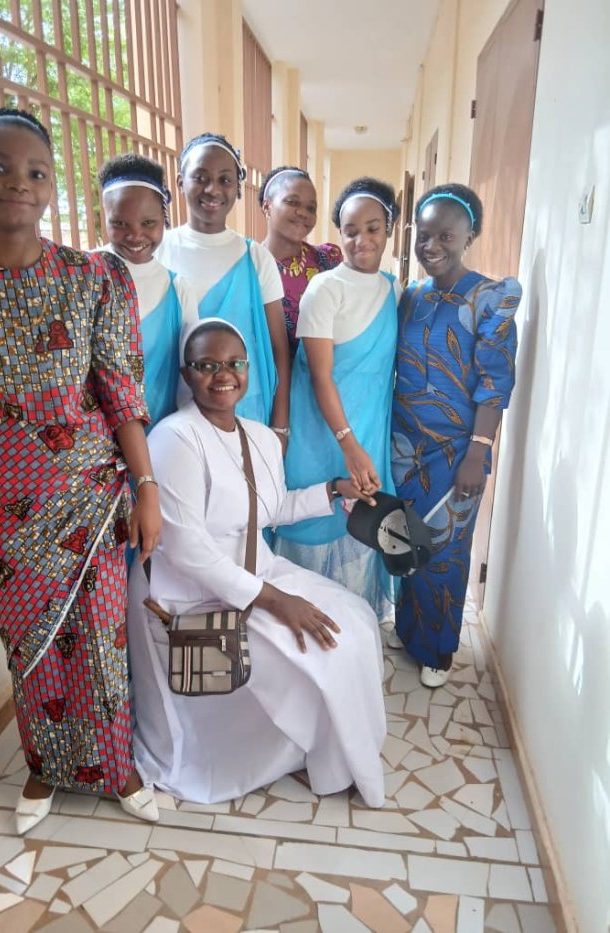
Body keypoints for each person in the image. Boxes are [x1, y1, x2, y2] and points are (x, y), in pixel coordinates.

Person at [0, 107, 163, 834]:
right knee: (29, 643)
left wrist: (147, 488)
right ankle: (45, 766)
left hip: (95, 492)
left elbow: (121, 393)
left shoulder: (93, 277)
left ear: (52, 186)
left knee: (101, 638)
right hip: (9, 501)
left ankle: (117, 768)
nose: (17, 182)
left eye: (35, 171)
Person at [127, 319, 387, 806]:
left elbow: (271, 509)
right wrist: (276, 602)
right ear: (186, 374)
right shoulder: (175, 438)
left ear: (248, 370)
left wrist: (335, 490)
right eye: (207, 365)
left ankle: (335, 753)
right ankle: (307, 751)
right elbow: (186, 549)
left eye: (234, 363)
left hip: (255, 570)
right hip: (192, 592)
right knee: (320, 650)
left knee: (355, 621)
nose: (223, 375)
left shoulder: (260, 437)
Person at [390, 183, 521, 687]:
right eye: (424, 235)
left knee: (443, 552)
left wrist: (478, 452)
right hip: (406, 445)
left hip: (458, 450)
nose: (432, 246)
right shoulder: (411, 296)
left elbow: (495, 382)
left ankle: (439, 651)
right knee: (405, 540)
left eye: (446, 235)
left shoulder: (490, 299)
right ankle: (409, 629)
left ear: (470, 236)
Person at [274, 178, 400, 618]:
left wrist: (361, 447)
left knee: (360, 535)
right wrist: (348, 444)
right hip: (323, 436)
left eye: (373, 228)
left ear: (389, 229)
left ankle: (353, 636)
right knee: (313, 538)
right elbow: (320, 375)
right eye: (350, 231)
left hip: (369, 436)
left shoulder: (393, 289)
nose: (362, 240)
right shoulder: (325, 289)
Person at [155, 133, 290, 440]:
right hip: (171, 410)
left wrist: (280, 426)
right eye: (200, 177)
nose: (212, 189)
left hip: (245, 409)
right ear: (180, 182)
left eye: (225, 179)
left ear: (237, 187)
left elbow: (279, 351)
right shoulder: (159, 251)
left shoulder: (255, 258)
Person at [98, 152, 197, 428]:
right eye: (120, 223)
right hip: (97, 442)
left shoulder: (177, 289)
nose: (135, 235)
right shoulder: (86, 276)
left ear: (164, 218)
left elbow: (188, 379)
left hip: (160, 435)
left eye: (148, 223)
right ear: (105, 216)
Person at [260, 165, 342, 358]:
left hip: (323, 373)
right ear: (267, 206)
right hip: (267, 374)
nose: (303, 213)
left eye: (311, 208)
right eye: (292, 202)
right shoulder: (252, 265)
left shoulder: (327, 260)